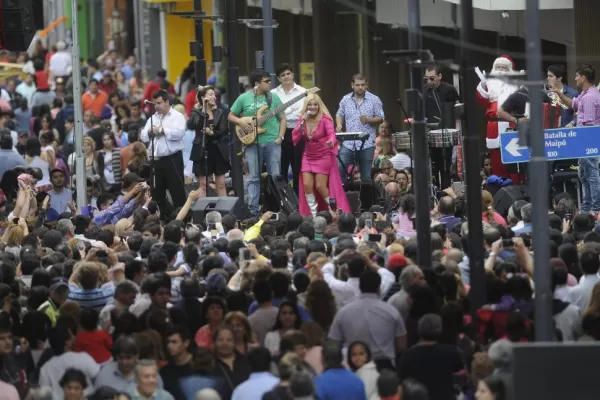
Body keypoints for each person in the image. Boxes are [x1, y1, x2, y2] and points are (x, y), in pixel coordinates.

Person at [228, 70, 286, 216]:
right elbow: (231, 115)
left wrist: (280, 137)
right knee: (253, 178)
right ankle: (253, 211)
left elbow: (282, 118)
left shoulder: (274, 98)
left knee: (275, 176)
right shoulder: (244, 98)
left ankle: (278, 207)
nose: (269, 83)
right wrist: (241, 121)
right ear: (256, 84)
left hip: (272, 142)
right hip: (252, 143)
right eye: (266, 81)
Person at [551, 65, 600, 215]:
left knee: (592, 176)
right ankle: (586, 208)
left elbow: (589, 125)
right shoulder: (584, 94)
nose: (575, 78)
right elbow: (573, 104)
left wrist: (576, 136)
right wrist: (559, 92)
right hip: (583, 144)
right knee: (584, 176)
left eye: (577, 76)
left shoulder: (591, 97)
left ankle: (595, 209)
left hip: (588, 143)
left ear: (583, 78)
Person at [292, 93, 350, 217]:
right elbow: (296, 134)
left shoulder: (325, 119)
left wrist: (331, 141)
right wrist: (302, 121)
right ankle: (313, 216)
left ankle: (335, 211)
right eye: (310, 105)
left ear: (319, 106)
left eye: (315, 105)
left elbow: (332, 134)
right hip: (308, 155)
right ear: (306, 106)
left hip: (323, 155)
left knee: (320, 186)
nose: (312, 107)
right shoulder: (302, 119)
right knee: (307, 185)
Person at [140, 89, 187, 215]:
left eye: (159, 103)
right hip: (156, 161)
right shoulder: (153, 118)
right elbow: (143, 136)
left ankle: (182, 219)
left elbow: (179, 133)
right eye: (155, 104)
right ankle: (163, 220)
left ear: (167, 102)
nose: (156, 106)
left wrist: (162, 130)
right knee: (157, 194)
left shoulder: (177, 116)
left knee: (177, 192)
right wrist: (150, 131)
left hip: (173, 159)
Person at [475, 55, 520, 178]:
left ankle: (516, 184)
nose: (500, 70)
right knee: (496, 160)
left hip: (511, 125)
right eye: (498, 67)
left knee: (514, 158)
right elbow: (481, 101)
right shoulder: (489, 84)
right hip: (494, 127)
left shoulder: (516, 85)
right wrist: (483, 85)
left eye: (504, 68)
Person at [336, 73, 384, 183]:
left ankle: (365, 199)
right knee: (340, 167)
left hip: (367, 143)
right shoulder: (345, 99)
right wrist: (339, 124)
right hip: (349, 143)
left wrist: (368, 120)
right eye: (357, 85)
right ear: (352, 85)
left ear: (366, 85)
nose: (360, 87)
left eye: (363, 84)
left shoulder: (375, 99)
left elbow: (381, 118)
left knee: (366, 176)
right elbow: (339, 114)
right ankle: (344, 195)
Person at [188, 85, 230, 196]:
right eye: (210, 95)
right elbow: (194, 125)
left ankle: (224, 210)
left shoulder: (220, 112)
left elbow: (223, 130)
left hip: (218, 150)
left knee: (221, 184)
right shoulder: (196, 112)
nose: (214, 97)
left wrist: (212, 133)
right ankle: (204, 211)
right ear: (203, 97)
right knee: (203, 184)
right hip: (202, 150)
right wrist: (204, 110)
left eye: (214, 95)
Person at [272, 63, 306, 194]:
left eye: (288, 74)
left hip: (298, 132)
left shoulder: (303, 92)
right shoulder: (273, 94)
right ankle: (283, 200)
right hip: (280, 132)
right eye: (282, 75)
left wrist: (284, 113)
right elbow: (272, 114)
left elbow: (302, 113)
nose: (286, 77)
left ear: (293, 74)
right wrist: (291, 113)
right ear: (279, 78)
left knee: (298, 167)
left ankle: (299, 201)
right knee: (282, 167)